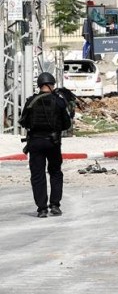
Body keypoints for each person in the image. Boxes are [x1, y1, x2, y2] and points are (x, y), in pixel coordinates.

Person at [19, 72, 73, 218]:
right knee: (55, 172)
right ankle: (55, 205)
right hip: (53, 142)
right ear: (51, 84)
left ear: (40, 85)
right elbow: (67, 124)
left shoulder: (31, 101)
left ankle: (42, 208)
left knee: (37, 175)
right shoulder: (59, 101)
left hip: (35, 142)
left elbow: (23, 122)